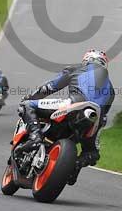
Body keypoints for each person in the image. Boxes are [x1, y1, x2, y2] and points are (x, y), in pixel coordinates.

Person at [18, 48, 115, 184]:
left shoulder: (76, 69)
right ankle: (76, 165)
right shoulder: (111, 90)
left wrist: (31, 96)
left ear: (86, 60)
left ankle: (35, 137)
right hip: (94, 120)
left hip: (72, 105)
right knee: (92, 152)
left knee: (28, 105)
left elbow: (49, 87)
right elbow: (104, 114)